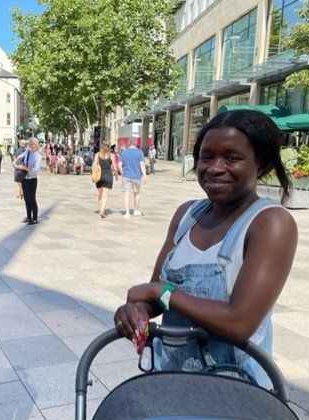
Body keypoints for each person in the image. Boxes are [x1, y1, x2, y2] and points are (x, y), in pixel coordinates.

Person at [114, 110, 297, 388]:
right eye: (206, 157)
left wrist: (159, 292)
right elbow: (157, 298)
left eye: (232, 157)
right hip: (170, 377)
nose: (214, 167)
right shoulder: (186, 215)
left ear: (261, 165)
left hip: (234, 389)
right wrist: (136, 310)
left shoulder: (270, 224)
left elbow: (240, 323)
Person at [119, 140, 148, 218]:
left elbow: (119, 165)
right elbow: (142, 165)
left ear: (128, 143)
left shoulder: (123, 152)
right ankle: (136, 210)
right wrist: (145, 176)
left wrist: (122, 174)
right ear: (135, 143)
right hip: (137, 176)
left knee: (126, 194)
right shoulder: (139, 153)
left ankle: (127, 212)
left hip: (126, 176)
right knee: (137, 193)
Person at [16, 138, 41, 225]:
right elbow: (20, 157)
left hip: (32, 180)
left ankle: (34, 218)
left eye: (31, 144)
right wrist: (17, 162)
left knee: (32, 199)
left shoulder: (37, 155)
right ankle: (28, 217)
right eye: (29, 144)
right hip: (25, 178)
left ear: (36, 145)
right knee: (26, 199)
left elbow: (35, 170)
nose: (29, 145)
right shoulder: (27, 152)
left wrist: (25, 168)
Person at [93, 140, 114, 218]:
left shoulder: (97, 155)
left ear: (102, 146)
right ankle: (102, 210)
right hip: (108, 176)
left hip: (99, 176)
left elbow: (94, 165)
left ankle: (99, 209)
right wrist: (117, 174)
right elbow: (114, 167)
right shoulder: (111, 155)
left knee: (100, 194)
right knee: (105, 195)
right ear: (109, 146)